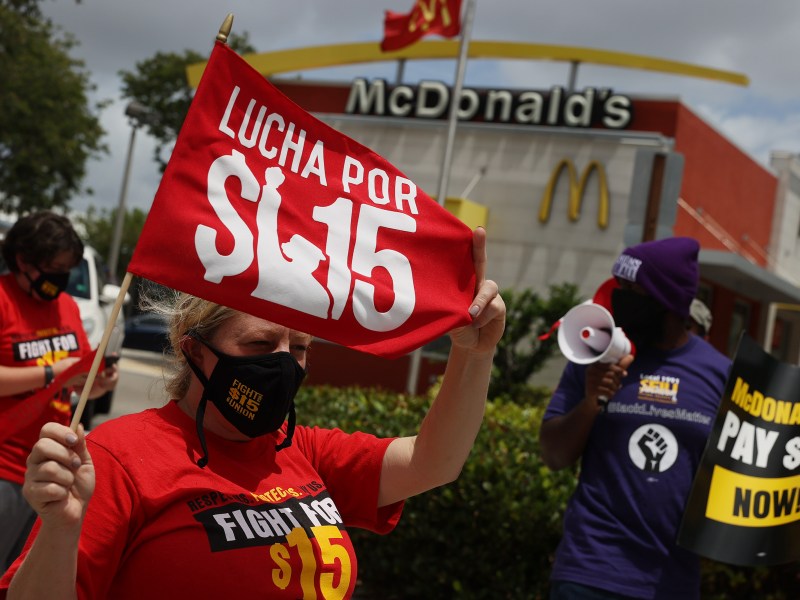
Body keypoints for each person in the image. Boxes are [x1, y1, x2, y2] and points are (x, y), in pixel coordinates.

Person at [0, 227, 505, 599]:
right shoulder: (119, 456)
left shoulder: (302, 449)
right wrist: (63, 530)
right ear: (193, 349)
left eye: (300, 349)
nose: (283, 362)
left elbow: (434, 462)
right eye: (261, 343)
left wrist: (474, 354)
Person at [540, 237, 731, 600]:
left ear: (671, 302)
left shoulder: (720, 375)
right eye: (619, 287)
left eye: (633, 291)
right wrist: (592, 400)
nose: (620, 299)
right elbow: (553, 455)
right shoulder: (595, 355)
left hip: (670, 582)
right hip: (588, 572)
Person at [0, 211, 119, 574]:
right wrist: (52, 373)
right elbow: (59, 373)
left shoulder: (66, 306)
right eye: (54, 267)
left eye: (67, 267)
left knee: (21, 575)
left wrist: (99, 381)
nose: (61, 278)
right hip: (4, 463)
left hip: (51, 465)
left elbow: (76, 378)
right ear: (23, 261)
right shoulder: (3, 300)